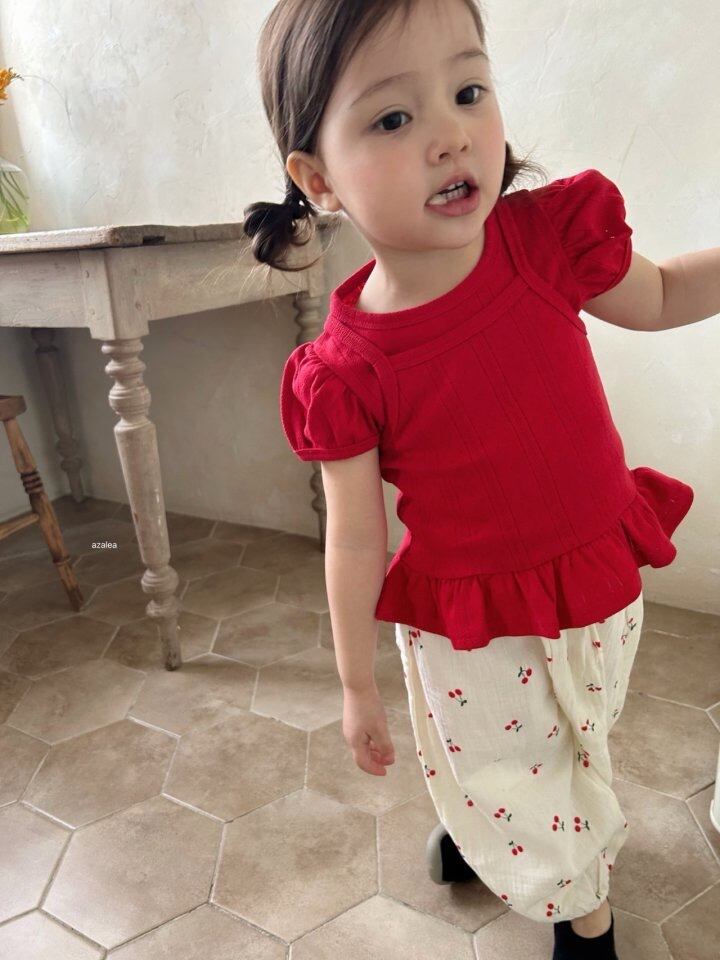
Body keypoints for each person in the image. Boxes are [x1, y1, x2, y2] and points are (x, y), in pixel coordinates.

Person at [243, 2, 708, 957]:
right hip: (476, 626)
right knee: (515, 758)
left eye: (467, 91)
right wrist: (356, 684)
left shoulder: (546, 240)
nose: (451, 134)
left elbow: (661, 292)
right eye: (393, 117)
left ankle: (483, 826)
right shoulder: (346, 368)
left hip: (597, 580)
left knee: (567, 740)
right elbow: (356, 537)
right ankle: (583, 917)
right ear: (319, 180)